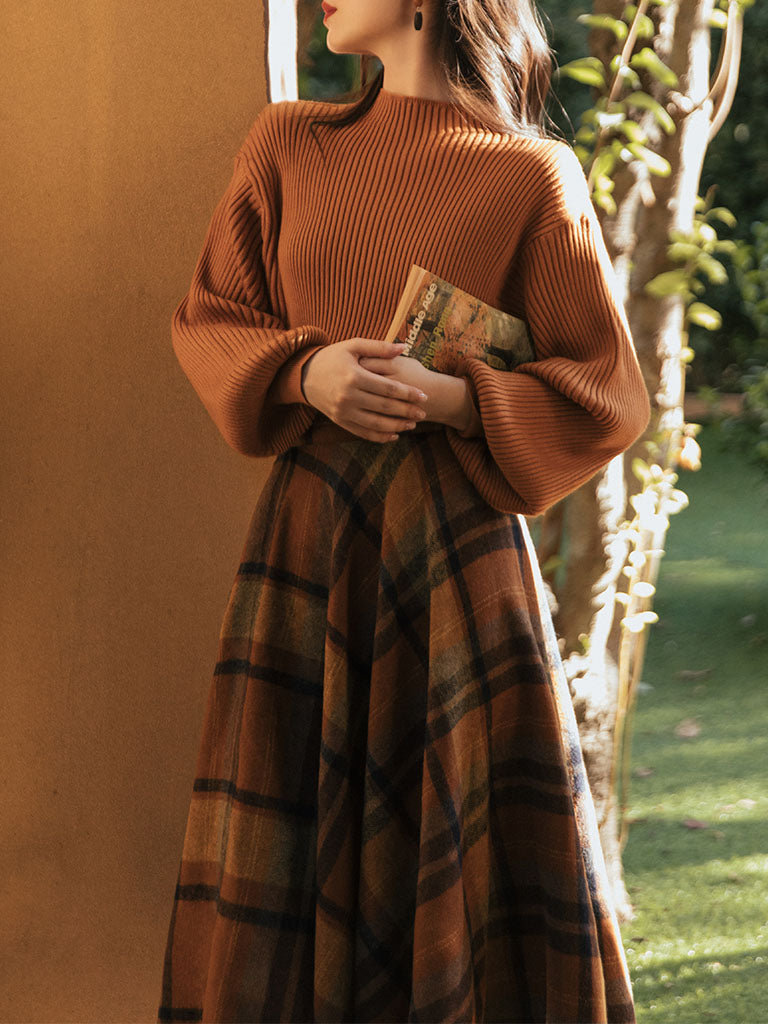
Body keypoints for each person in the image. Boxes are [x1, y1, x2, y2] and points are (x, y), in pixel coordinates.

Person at [157, 0, 650, 1020]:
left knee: (466, 862)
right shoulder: (287, 142)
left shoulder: (529, 176)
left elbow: (609, 390)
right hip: (310, 545)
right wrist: (306, 371)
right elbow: (209, 315)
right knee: (288, 855)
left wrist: (459, 398)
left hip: (459, 562)